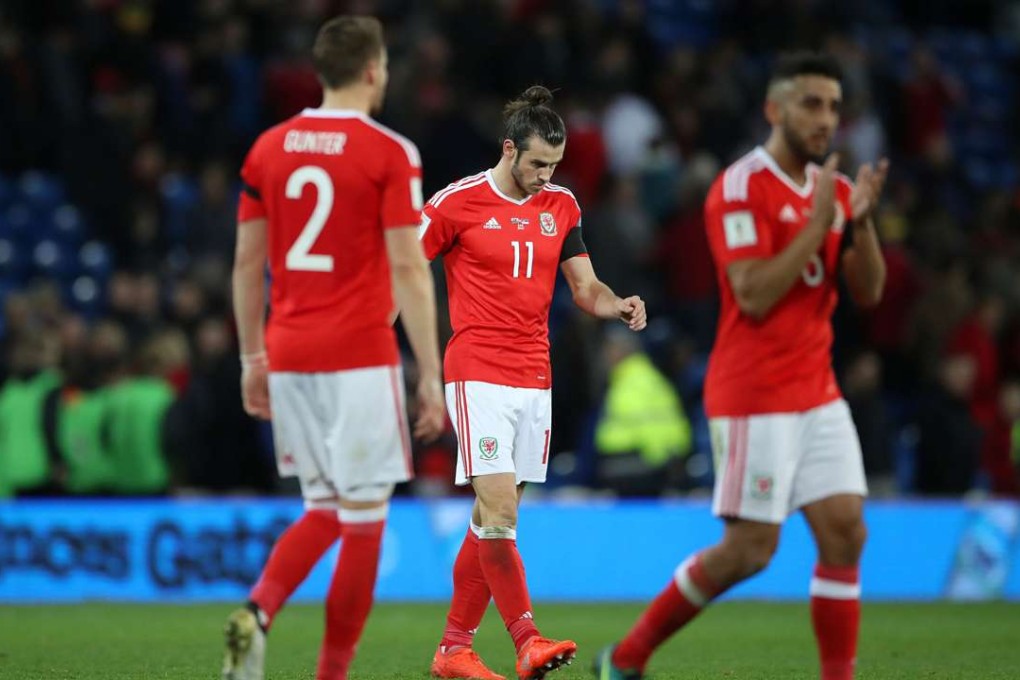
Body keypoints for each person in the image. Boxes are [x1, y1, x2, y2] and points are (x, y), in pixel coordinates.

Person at [594, 52, 888, 680]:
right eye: (811, 104)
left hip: (818, 389)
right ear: (774, 109)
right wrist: (818, 227)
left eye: (834, 107)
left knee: (846, 532)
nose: (826, 119)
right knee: (750, 551)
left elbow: (869, 292)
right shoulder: (738, 187)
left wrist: (859, 225)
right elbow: (752, 293)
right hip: (755, 393)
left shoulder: (837, 191)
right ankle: (624, 657)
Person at [223, 15, 446, 680]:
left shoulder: (269, 148)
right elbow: (408, 267)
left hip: (289, 353)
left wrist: (251, 359)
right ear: (374, 70)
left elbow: (246, 264)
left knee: (322, 509)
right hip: (358, 355)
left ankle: (258, 610)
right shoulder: (390, 152)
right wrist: (430, 371)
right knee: (364, 520)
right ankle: (332, 674)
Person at [420, 85, 647, 680]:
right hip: (477, 372)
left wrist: (617, 304)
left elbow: (585, 288)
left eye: (554, 164)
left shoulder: (562, 206)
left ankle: (453, 650)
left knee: (489, 519)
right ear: (508, 149)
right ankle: (526, 640)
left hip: (534, 376)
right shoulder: (455, 203)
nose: (546, 176)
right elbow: (404, 267)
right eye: (538, 164)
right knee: (500, 510)